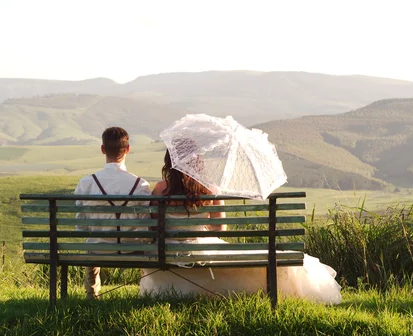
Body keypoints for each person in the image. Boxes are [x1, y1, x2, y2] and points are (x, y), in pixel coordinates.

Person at [139, 149, 342, 305]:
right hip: (202, 246)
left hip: (170, 251)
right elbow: (221, 229)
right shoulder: (211, 189)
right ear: (197, 163)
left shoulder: (160, 189)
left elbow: (156, 226)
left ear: (170, 162)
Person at [74, 127, 151, 299]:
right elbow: (147, 228)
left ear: (102, 149)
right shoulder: (140, 184)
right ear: (128, 149)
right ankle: (146, 292)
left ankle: (92, 294)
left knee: (91, 243)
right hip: (132, 248)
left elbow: (81, 226)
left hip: (98, 249)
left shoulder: (86, 183)